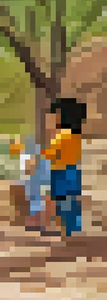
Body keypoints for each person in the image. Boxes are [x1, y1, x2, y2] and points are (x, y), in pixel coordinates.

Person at [42, 97, 87, 237]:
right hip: (73, 170)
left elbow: (51, 154)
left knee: (62, 201)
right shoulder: (76, 136)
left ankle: (66, 231)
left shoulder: (62, 135)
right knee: (71, 200)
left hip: (60, 171)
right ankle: (73, 228)